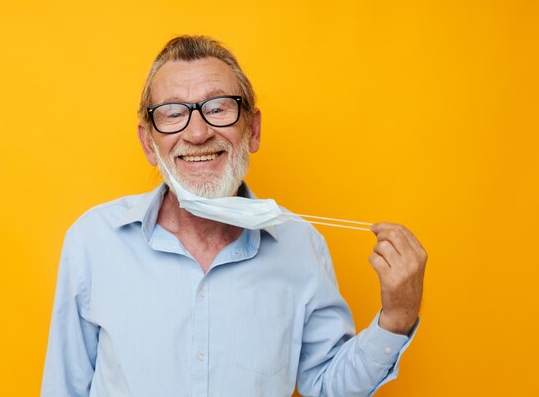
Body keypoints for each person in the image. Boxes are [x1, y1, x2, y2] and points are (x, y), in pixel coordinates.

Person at [41, 35, 427, 397]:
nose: (197, 133)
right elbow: (64, 387)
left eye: (218, 108)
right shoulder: (93, 241)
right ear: (148, 142)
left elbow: (328, 384)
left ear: (253, 129)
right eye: (173, 113)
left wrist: (397, 316)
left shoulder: (302, 246)